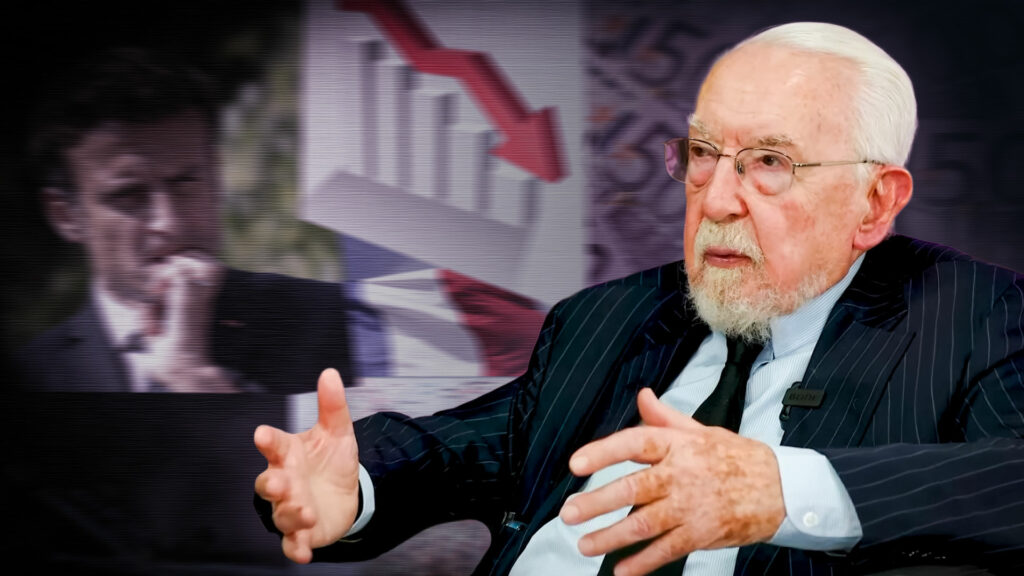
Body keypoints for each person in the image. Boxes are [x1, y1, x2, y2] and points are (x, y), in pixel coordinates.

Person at [252, 21, 1024, 575]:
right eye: (702, 153)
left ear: (874, 202)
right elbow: (454, 448)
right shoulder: (609, 319)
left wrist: (779, 490)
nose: (715, 198)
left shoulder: (973, 316)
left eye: (768, 162)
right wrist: (348, 486)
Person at [16, 47, 355, 393]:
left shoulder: (332, 322)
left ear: (216, 174)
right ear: (66, 215)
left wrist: (192, 378)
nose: (170, 223)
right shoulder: (29, 377)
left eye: (186, 182)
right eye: (129, 195)